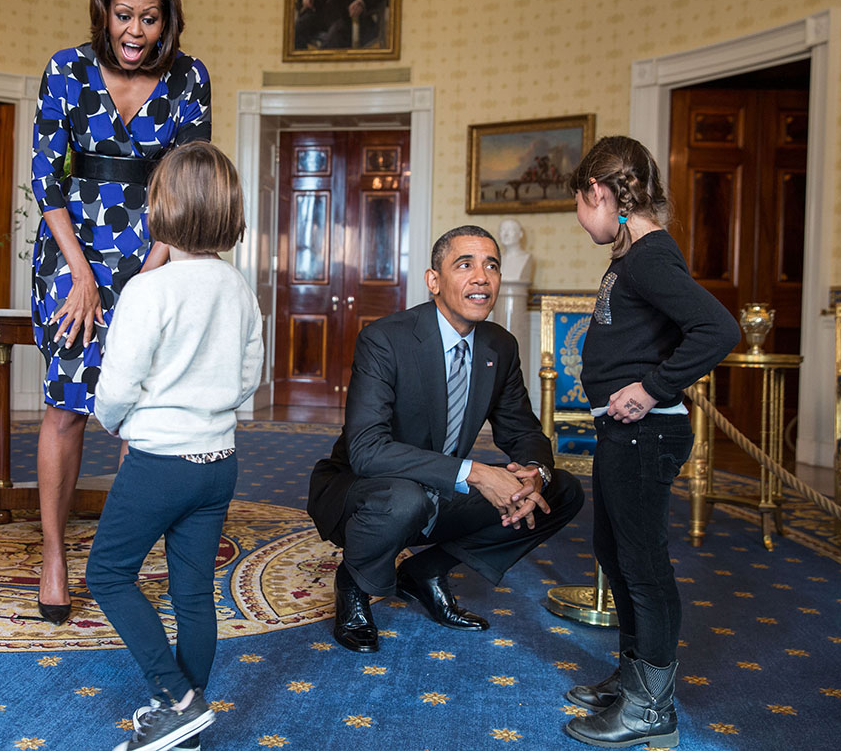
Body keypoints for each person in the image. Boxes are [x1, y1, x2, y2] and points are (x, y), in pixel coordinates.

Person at [30, 0, 211, 626]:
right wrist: (80, 275)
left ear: (168, 20)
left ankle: (121, 559)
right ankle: (53, 556)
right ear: (104, 13)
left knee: (146, 413)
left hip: (157, 256)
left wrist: (150, 273)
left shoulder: (191, 77)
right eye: (124, 15)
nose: (136, 30)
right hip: (73, 258)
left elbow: (187, 184)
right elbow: (47, 182)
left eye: (150, 18)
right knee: (67, 408)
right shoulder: (66, 68)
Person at [307, 225, 584, 653]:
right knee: (406, 499)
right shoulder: (386, 339)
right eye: (465, 265)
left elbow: (522, 430)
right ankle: (355, 583)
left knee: (561, 491)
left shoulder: (500, 345)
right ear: (433, 281)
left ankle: (425, 572)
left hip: (440, 487)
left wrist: (534, 473)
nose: (481, 277)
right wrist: (474, 473)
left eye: (491, 266)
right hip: (366, 489)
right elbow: (366, 450)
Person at [85, 142, 263, 751]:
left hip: (159, 463)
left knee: (107, 573)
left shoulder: (148, 289)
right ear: (228, 211)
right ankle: (181, 717)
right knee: (193, 592)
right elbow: (248, 378)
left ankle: (177, 697)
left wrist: (119, 424)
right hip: (220, 462)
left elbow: (116, 386)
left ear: (161, 207)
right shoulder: (237, 286)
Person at [563, 137, 739, 749]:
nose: (579, 218)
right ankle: (636, 675)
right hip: (624, 432)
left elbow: (718, 328)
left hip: (646, 430)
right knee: (615, 553)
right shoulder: (636, 254)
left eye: (578, 205)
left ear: (599, 194)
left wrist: (651, 387)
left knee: (642, 566)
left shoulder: (649, 257)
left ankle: (650, 707)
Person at [497, 218, 534, 283]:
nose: (506, 234)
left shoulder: (527, 258)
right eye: (502, 230)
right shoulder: (496, 259)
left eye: (510, 230)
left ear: (520, 234)